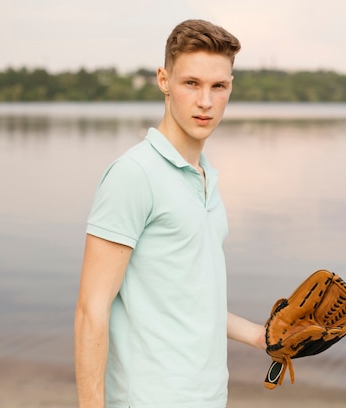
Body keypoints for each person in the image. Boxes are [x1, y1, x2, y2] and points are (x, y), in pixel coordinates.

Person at [74, 19, 266, 408]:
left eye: (219, 86)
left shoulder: (205, 175)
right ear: (164, 80)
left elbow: (187, 297)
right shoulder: (135, 174)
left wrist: (261, 337)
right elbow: (90, 311)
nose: (206, 102)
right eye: (191, 83)